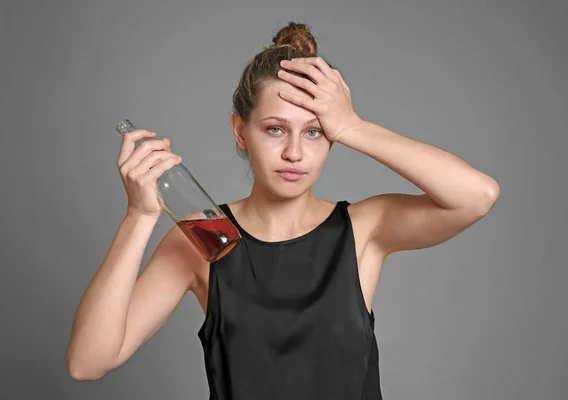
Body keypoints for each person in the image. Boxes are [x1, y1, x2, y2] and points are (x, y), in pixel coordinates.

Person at [65, 21, 500, 399]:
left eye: (314, 132)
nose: (294, 152)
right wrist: (139, 217)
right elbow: (88, 362)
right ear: (241, 131)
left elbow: (476, 195)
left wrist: (352, 126)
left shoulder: (363, 229)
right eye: (275, 129)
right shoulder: (203, 236)